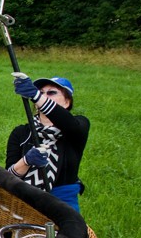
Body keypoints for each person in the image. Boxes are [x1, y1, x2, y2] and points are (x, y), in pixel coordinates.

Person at [6, 75, 90, 212]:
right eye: (41, 92)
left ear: (67, 102)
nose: (44, 95)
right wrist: (26, 161)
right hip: (25, 199)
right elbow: (9, 178)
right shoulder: (21, 132)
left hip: (64, 203)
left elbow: (69, 124)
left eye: (52, 92)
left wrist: (36, 95)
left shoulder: (78, 125)